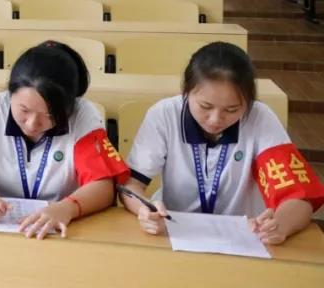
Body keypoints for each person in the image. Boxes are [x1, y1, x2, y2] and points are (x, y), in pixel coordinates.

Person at [122, 42, 324, 244]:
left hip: (246, 236)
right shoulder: (164, 115)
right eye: (205, 106)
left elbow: (300, 197)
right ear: (186, 91)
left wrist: (280, 225)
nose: (215, 119)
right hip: (174, 232)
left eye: (232, 110)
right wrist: (145, 211)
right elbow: (131, 185)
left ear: (249, 101)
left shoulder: (260, 118)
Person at [0, 41, 129, 239]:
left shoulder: (84, 116)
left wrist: (67, 208)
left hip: (62, 228)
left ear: (69, 107)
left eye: (49, 115)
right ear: (10, 93)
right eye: (24, 110)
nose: (32, 124)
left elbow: (103, 186)